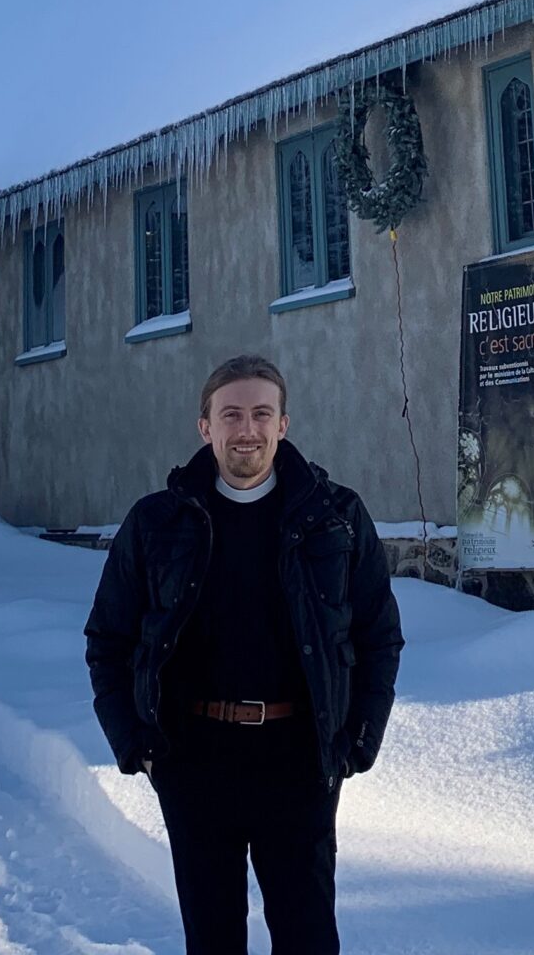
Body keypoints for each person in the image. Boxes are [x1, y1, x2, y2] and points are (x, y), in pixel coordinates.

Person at [84, 353, 404, 954]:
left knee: (308, 937)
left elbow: (378, 635)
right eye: (231, 414)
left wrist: (358, 740)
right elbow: (108, 640)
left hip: (300, 764)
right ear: (205, 427)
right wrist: (136, 746)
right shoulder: (158, 522)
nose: (247, 429)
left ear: (284, 424)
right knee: (213, 941)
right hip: (194, 763)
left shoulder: (334, 518)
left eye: (262, 413)